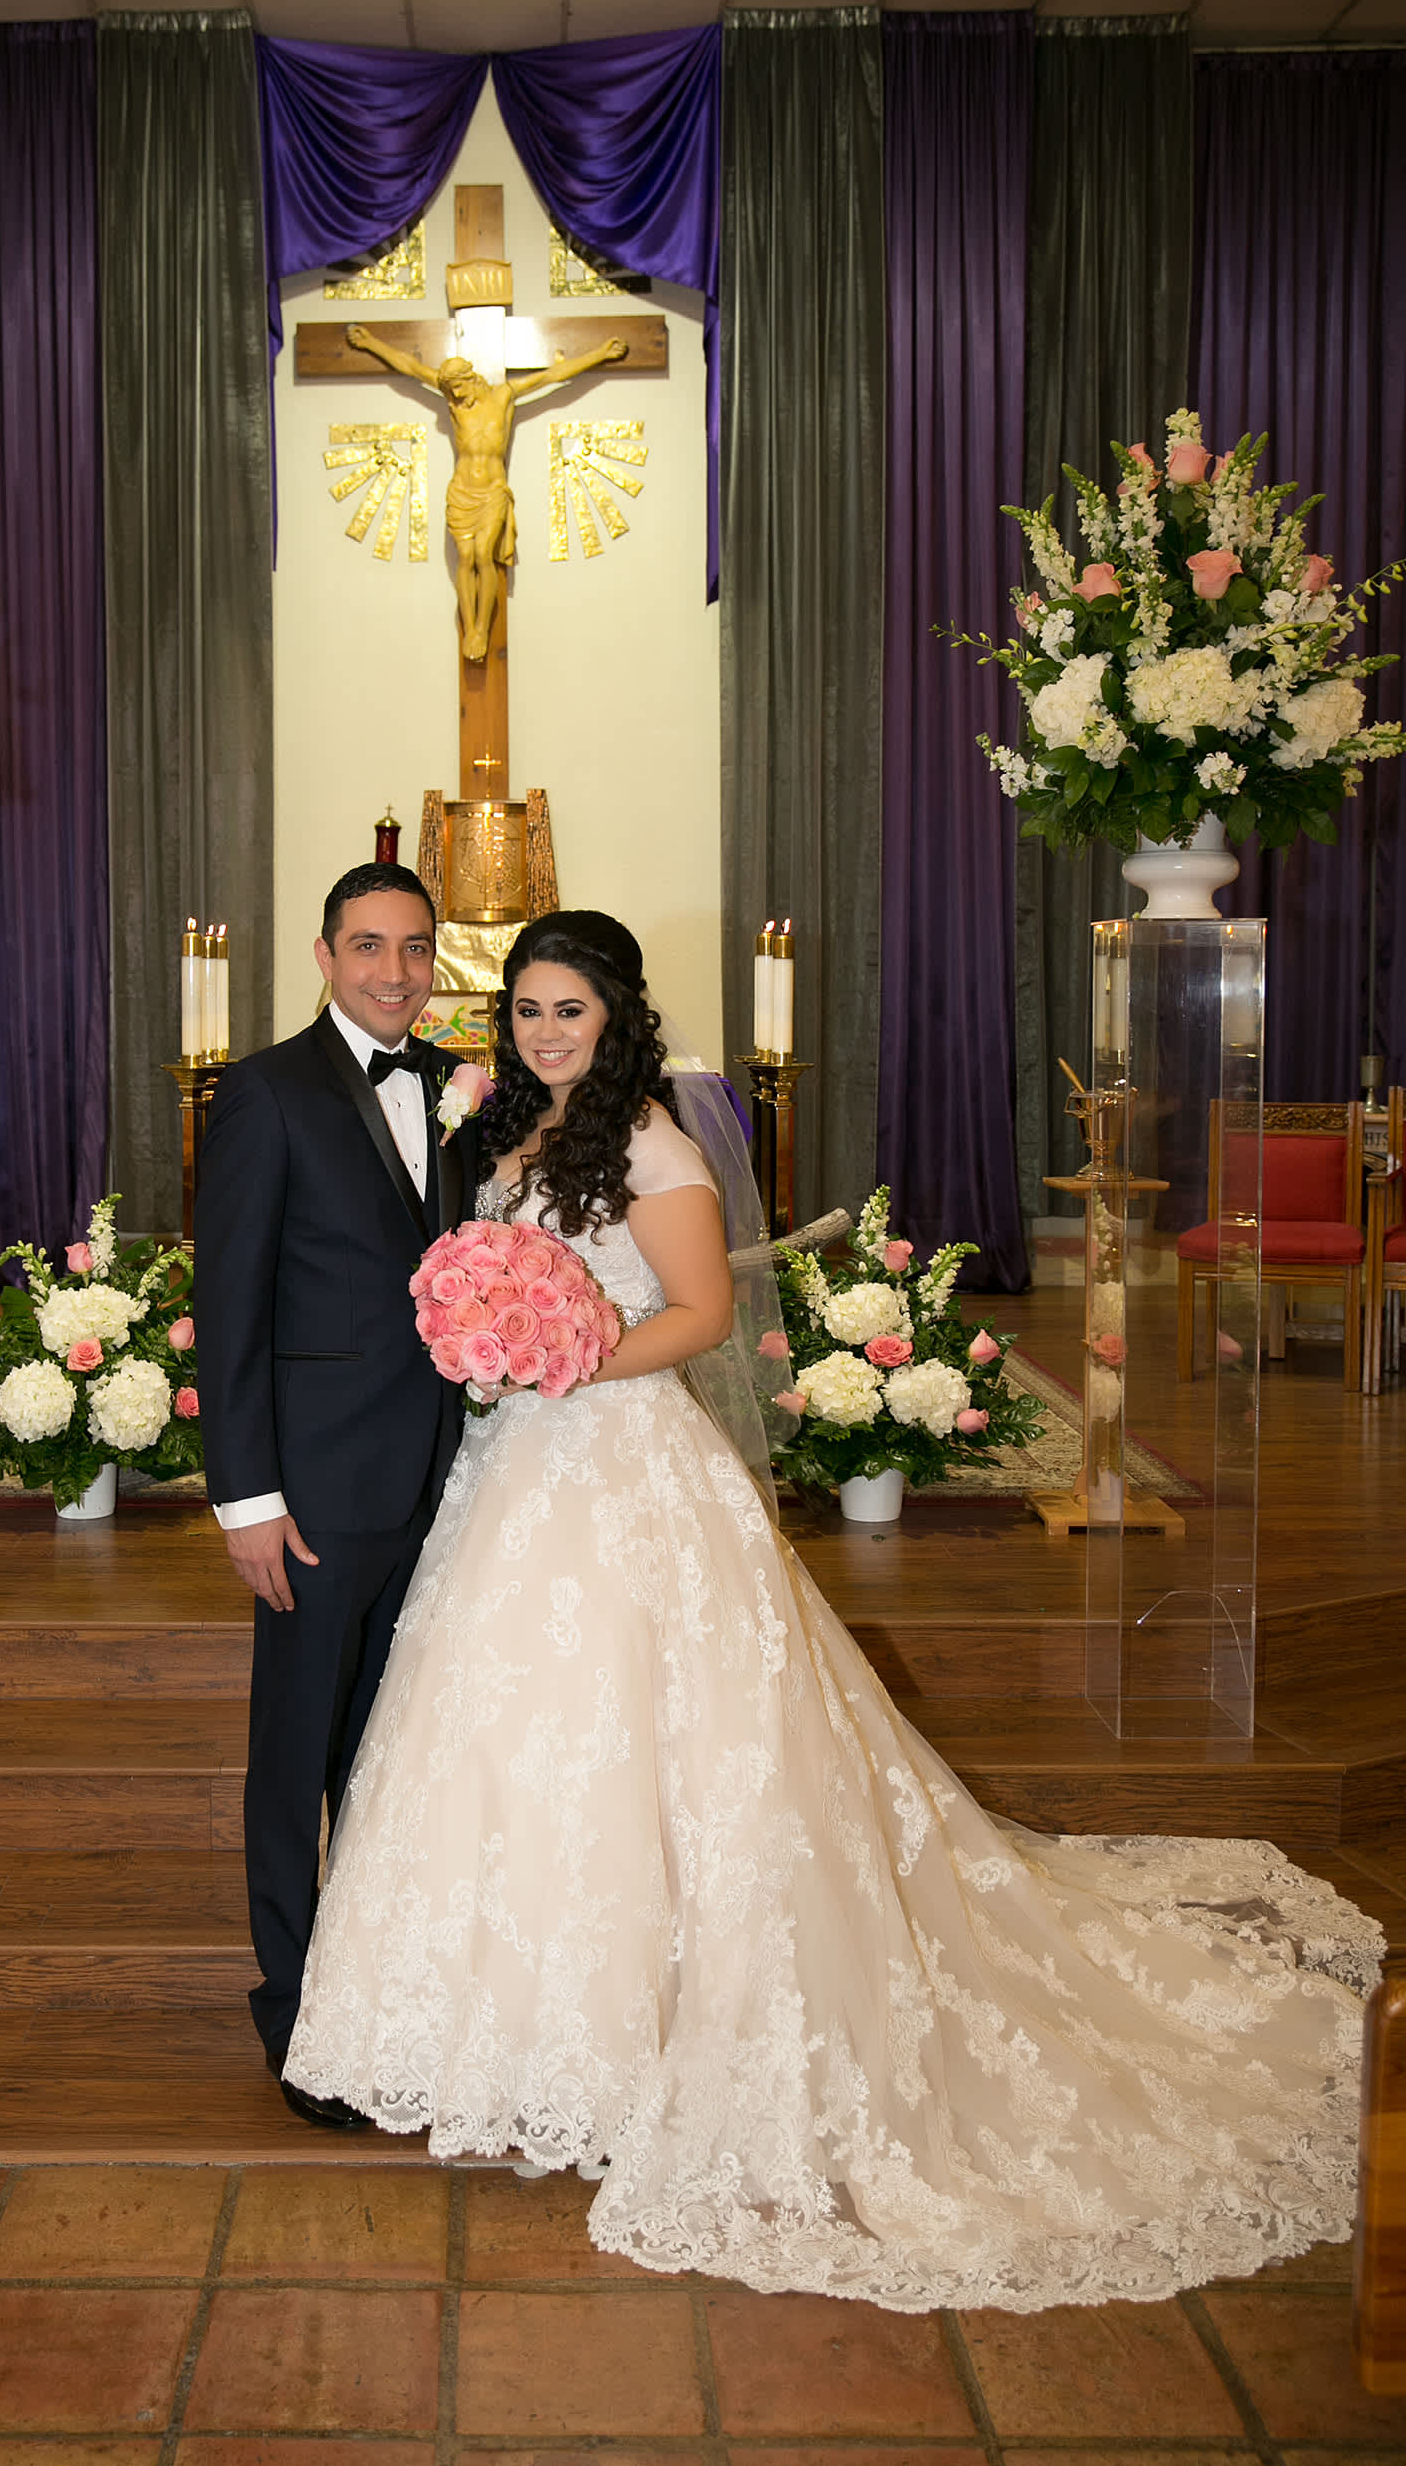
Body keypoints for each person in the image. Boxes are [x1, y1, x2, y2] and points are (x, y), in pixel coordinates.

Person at [284, 908, 1382, 2305]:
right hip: (509, 1474)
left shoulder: (651, 1142)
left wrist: (570, 1357)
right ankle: (488, 2035)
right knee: (497, 1735)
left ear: (617, 1017)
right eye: (529, 1010)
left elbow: (697, 1315)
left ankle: (650, 2041)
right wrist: (489, 1340)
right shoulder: (504, 1135)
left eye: (571, 1010)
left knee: (652, 1739)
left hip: (618, 1458)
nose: (546, 1032)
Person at [194, 861, 482, 2128]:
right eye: (367, 946)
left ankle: (381, 1992)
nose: (393, 972)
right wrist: (246, 1499)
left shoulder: (457, 1087)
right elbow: (229, 1309)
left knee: (388, 1750)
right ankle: (296, 2010)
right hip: (312, 1490)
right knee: (296, 1754)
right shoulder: (268, 1092)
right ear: (323, 956)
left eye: (414, 947)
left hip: (438, 1481)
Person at [344, 322, 629, 661]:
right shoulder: (454, 403)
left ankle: (482, 627)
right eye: (449, 390)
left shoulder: (504, 395)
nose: (455, 396)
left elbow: (551, 376)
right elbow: (412, 368)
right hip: (462, 490)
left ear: (471, 378)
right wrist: (371, 343)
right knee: (465, 558)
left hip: (492, 491)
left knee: (483, 554)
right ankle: (470, 629)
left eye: (458, 388)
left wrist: (600, 354)